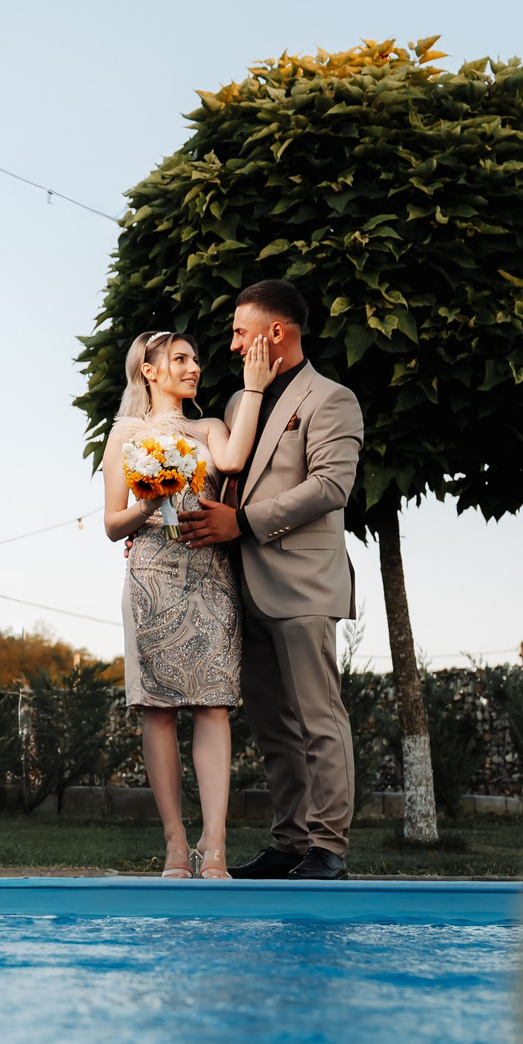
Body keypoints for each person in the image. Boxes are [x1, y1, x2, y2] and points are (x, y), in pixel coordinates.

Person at [176, 279, 365, 880]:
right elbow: (227, 479)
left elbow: (330, 487)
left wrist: (244, 523)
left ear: (275, 334)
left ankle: (328, 847)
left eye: (239, 332)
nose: (231, 346)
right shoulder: (237, 405)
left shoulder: (333, 399)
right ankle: (289, 842)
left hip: (303, 584)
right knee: (273, 725)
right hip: (243, 587)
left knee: (318, 718)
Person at [101, 327, 273, 877]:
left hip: (210, 572)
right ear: (149, 371)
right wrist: (149, 504)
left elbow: (232, 458)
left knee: (214, 704)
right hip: (152, 573)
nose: (193, 366)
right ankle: (175, 843)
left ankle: (215, 844)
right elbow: (111, 523)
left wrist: (253, 389)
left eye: (195, 358)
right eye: (179, 358)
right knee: (156, 707)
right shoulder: (124, 433)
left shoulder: (209, 425)